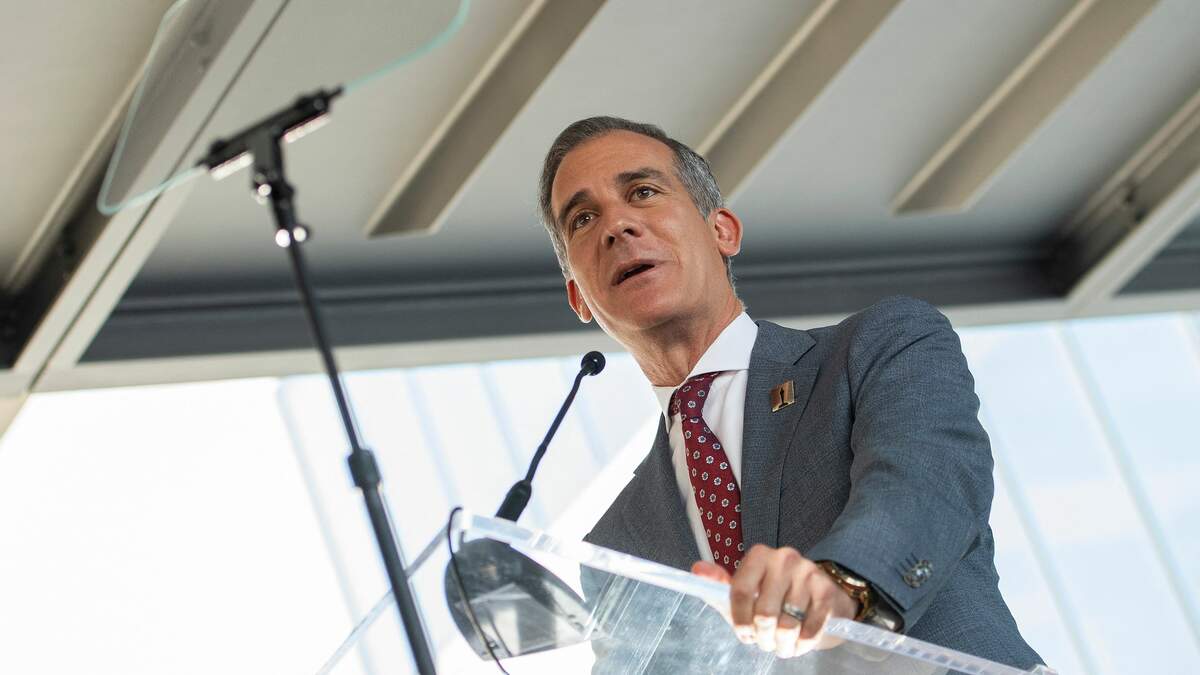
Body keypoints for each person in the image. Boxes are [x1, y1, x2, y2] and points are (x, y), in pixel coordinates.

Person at [537, 116, 1043, 669]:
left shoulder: (879, 345)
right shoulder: (614, 549)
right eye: (583, 219)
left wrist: (839, 585)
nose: (616, 225)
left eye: (643, 192)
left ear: (723, 231)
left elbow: (927, 484)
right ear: (578, 298)